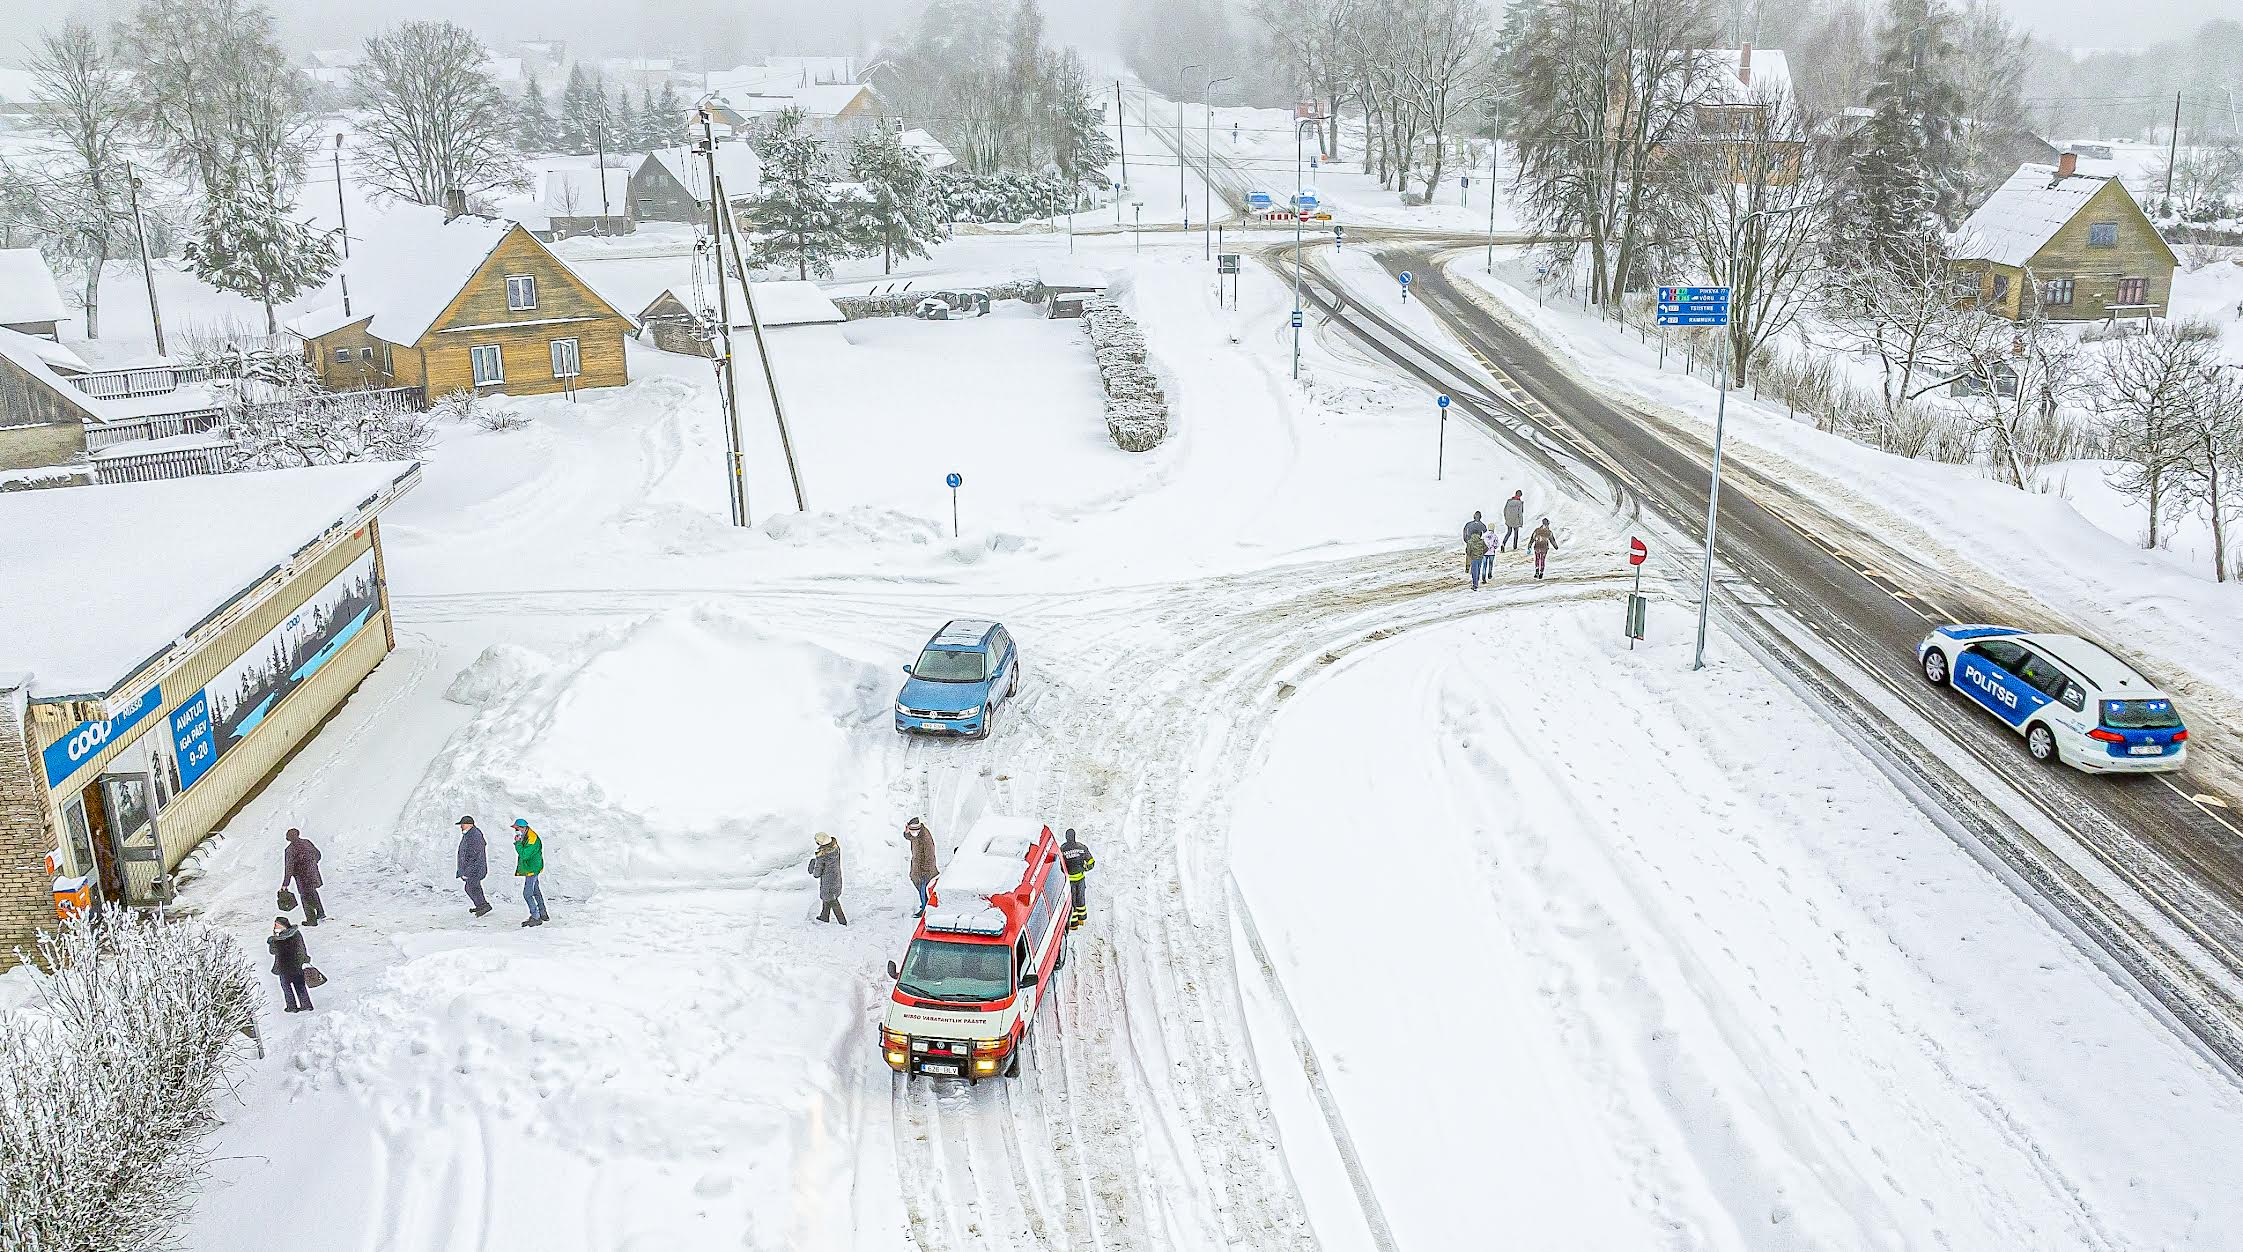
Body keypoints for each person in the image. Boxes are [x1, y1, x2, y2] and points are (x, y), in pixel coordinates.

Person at [268, 915, 313, 1013]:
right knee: (289, 987)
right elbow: (273, 951)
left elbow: (300, 949)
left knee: (296, 986)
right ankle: (294, 1005)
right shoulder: (278, 937)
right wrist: (273, 940)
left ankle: (300, 1005)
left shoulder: (293, 935)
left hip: (293, 965)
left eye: (278, 925)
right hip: (285, 966)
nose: (276, 927)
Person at [281, 828, 325, 926]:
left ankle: (311, 920)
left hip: (302, 877)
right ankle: (320, 913)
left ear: (288, 838)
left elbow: (289, 867)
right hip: (313, 873)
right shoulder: (307, 842)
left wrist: (285, 883)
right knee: (313, 892)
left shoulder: (290, 849)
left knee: (305, 897)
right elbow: (318, 854)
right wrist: (312, 864)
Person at [512, 818, 549, 927]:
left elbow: (524, 854)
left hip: (532, 869)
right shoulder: (526, 835)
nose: (515, 831)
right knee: (536, 891)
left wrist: (518, 843)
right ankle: (543, 913)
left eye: (516, 828)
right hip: (532, 867)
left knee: (527, 894)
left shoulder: (531, 838)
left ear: (522, 828)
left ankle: (536, 917)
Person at [456, 816, 491, 917]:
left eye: (462, 824)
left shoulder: (474, 835)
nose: (461, 827)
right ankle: (481, 905)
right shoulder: (470, 834)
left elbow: (475, 854)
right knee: (473, 887)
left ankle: (483, 905)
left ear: (469, 824)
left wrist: (468, 870)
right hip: (473, 868)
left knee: (470, 887)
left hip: (475, 869)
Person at [1060, 828, 1095, 930]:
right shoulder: (1081, 847)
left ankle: (1073, 924)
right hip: (1080, 879)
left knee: (1072, 902)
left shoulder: (1062, 849)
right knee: (1080, 899)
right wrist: (1085, 868)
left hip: (1069, 882)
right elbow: (1091, 861)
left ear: (1066, 837)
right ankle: (1082, 919)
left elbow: (1060, 865)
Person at [810, 833, 846, 925]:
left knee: (832, 901)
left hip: (828, 882)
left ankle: (842, 922)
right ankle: (824, 916)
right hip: (836, 878)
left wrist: (813, 866)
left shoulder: (822, 856)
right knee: (827, 899)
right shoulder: (835, 848)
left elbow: (816, 874)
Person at [904, 818, 938, 918]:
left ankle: (925, 909)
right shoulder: (916, 834)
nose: (913, 833)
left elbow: (930, 856)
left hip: (925, 869)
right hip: (917, 868)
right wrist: (906, 833)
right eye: (911, 831)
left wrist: (925, 871)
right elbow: (910, 837)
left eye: (914, 831)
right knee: (919, 886)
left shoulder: (925, 838)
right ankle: (925, 906)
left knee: (924, 890)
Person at [1465, 525, 1489, 590]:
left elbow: (1468, 551)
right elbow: (1486, 548)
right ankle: (1476, 583)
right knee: (1478, 570)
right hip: (1480, 558)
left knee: (1474, 571)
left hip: (1473, 558)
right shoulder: (1481, 541)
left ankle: (1475, 585)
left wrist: (1470, 555)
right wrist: (1482, 553)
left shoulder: (1470, 542)